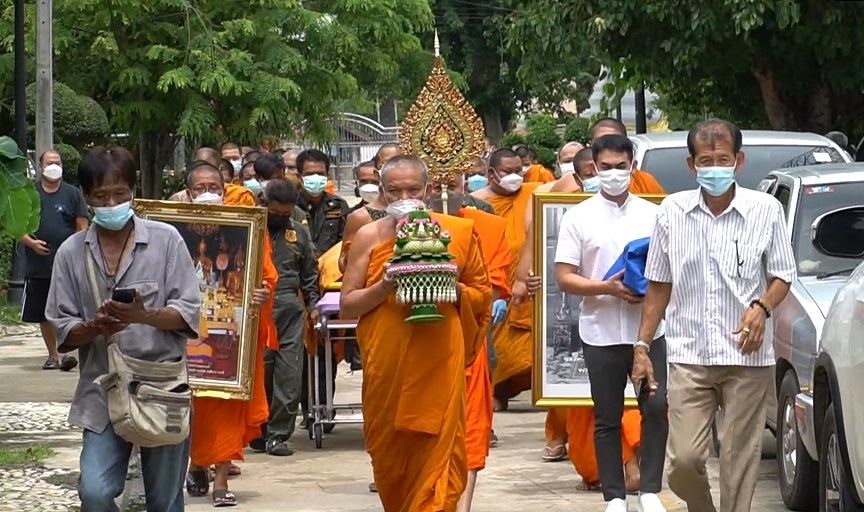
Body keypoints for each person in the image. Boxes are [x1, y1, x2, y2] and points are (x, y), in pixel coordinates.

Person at [633, 119, 796, 512]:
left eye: (723, 159)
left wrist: (762, 307)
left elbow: (782, 275)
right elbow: (659, 284)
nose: (715, 168)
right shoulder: (672, 211)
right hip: (690, 355)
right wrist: (642, 345)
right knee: (683, 462)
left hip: (746, 356)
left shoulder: (765, 210)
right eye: (706, 161)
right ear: (692, 165)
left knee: (738, 463)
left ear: (739, 160)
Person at [45, 146, 201, 511]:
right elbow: (63, 331)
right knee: (95, 491)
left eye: (120, 194)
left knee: (164, 500)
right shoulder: (70, 252)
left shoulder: (166, 240)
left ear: (133, 191)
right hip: (102, 388)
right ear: (86, 197)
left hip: (162, 387)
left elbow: (188, 314)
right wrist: (95, 326)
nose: (112, 203)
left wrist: (144, 316)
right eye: (101, 196)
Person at [341, 155, 491, 511]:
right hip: (387, 363)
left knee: (439, 460)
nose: (404, 198)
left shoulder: (457, 233)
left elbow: (482, 296)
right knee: (392, 461)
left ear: (428, 190)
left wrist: (448, 284)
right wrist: (384, 286)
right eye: (394, 191)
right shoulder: (368, 236)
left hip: (439, 358)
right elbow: (348, 305)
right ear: (382, 191)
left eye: (413, 190)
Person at [555, 134, 668, 512]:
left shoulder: (654, 215)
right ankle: (615, 496)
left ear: (633, 167)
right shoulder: (578, 217)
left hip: (648, 331)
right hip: (600, 330)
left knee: (655, 407)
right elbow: (565, 277)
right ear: (594, 168)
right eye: (606, 167)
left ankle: (649, 490)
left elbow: (667, 272)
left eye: (621, 166)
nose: (614, 173)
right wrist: (606, 287)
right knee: (606, 415)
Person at [179, 162, 278, 506]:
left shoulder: (246, 228)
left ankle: (220, 477)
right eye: (200, 188)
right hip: (187, 330)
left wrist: (261, 294)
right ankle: (196, 462)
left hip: (231, 331)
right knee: (190, 402)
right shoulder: (173, 230)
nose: (207, 193)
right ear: (189, 193)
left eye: (214, 187)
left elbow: (265, 276)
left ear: (225, 191)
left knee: (227, 402)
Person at [426, 173, 509, 512]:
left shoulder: (486, 227)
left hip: (469, 342)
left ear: (464, 186)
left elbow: (492, 284)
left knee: (470, 428)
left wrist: (465, 290)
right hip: (418, 344)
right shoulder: (398, 229)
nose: (444, 193)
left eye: (452, 185)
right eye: (436, 186)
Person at [471, 148, 542, 411]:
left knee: (530, 344)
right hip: (496, 282)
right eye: (507, 172)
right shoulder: (478, 203)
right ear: (491, 174)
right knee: (497, 345)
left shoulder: (535, 193)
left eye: (518, 170)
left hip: (529, 282)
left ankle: (544, 389)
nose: (515, 176)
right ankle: (496, 392)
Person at [20, 149, 88, 371]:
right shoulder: (30, 193)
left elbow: (82, 226)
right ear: (41, 166)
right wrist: (31, 243)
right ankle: (53, 355)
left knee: (71, 309)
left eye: (57, 162)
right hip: (39, 264)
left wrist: (75, 250)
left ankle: (71, 352)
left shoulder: (72, 194)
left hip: (68, 264)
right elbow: (17, 226)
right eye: (49, 162)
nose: (54, 166)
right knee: (44, 312)